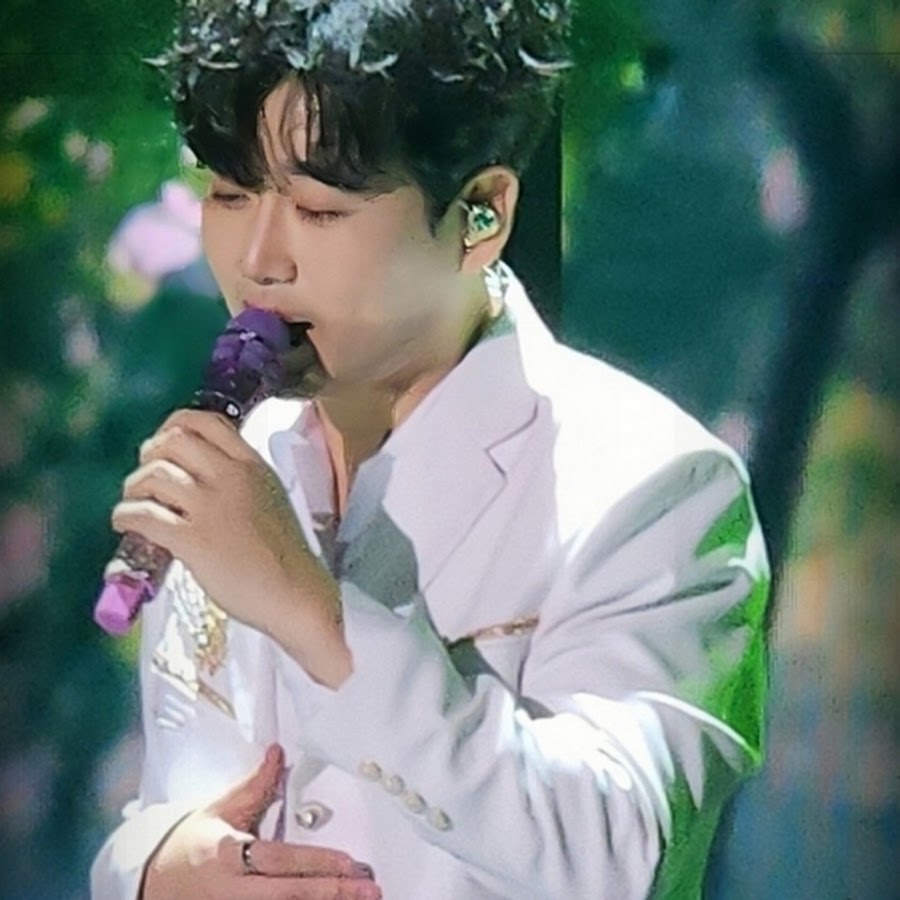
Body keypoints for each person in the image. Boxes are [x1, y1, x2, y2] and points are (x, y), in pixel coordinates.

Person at [91, 1, 770, 898]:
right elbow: (178, 795)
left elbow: (614, 856)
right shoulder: (240, 462)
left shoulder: (659, 485)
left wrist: (319, 620)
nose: (258, 259)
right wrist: (151, 868)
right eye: (228, 192)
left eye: (319, 210)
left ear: (481, 214)